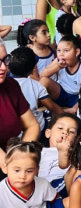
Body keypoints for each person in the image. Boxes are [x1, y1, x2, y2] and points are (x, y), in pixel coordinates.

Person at [0, 139, 66, 208]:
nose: (22, 176)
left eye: (29, 171)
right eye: (16, 170)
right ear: (5, 168)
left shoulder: (42, 183)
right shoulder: (2, 190)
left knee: (74, 202)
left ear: (37, 170)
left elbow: (56, 200)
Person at [0, 41, 41, 172]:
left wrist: (20, 155)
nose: (4, 68)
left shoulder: (11, 86)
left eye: (5, 60)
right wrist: (9, 164)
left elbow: (32, 125)